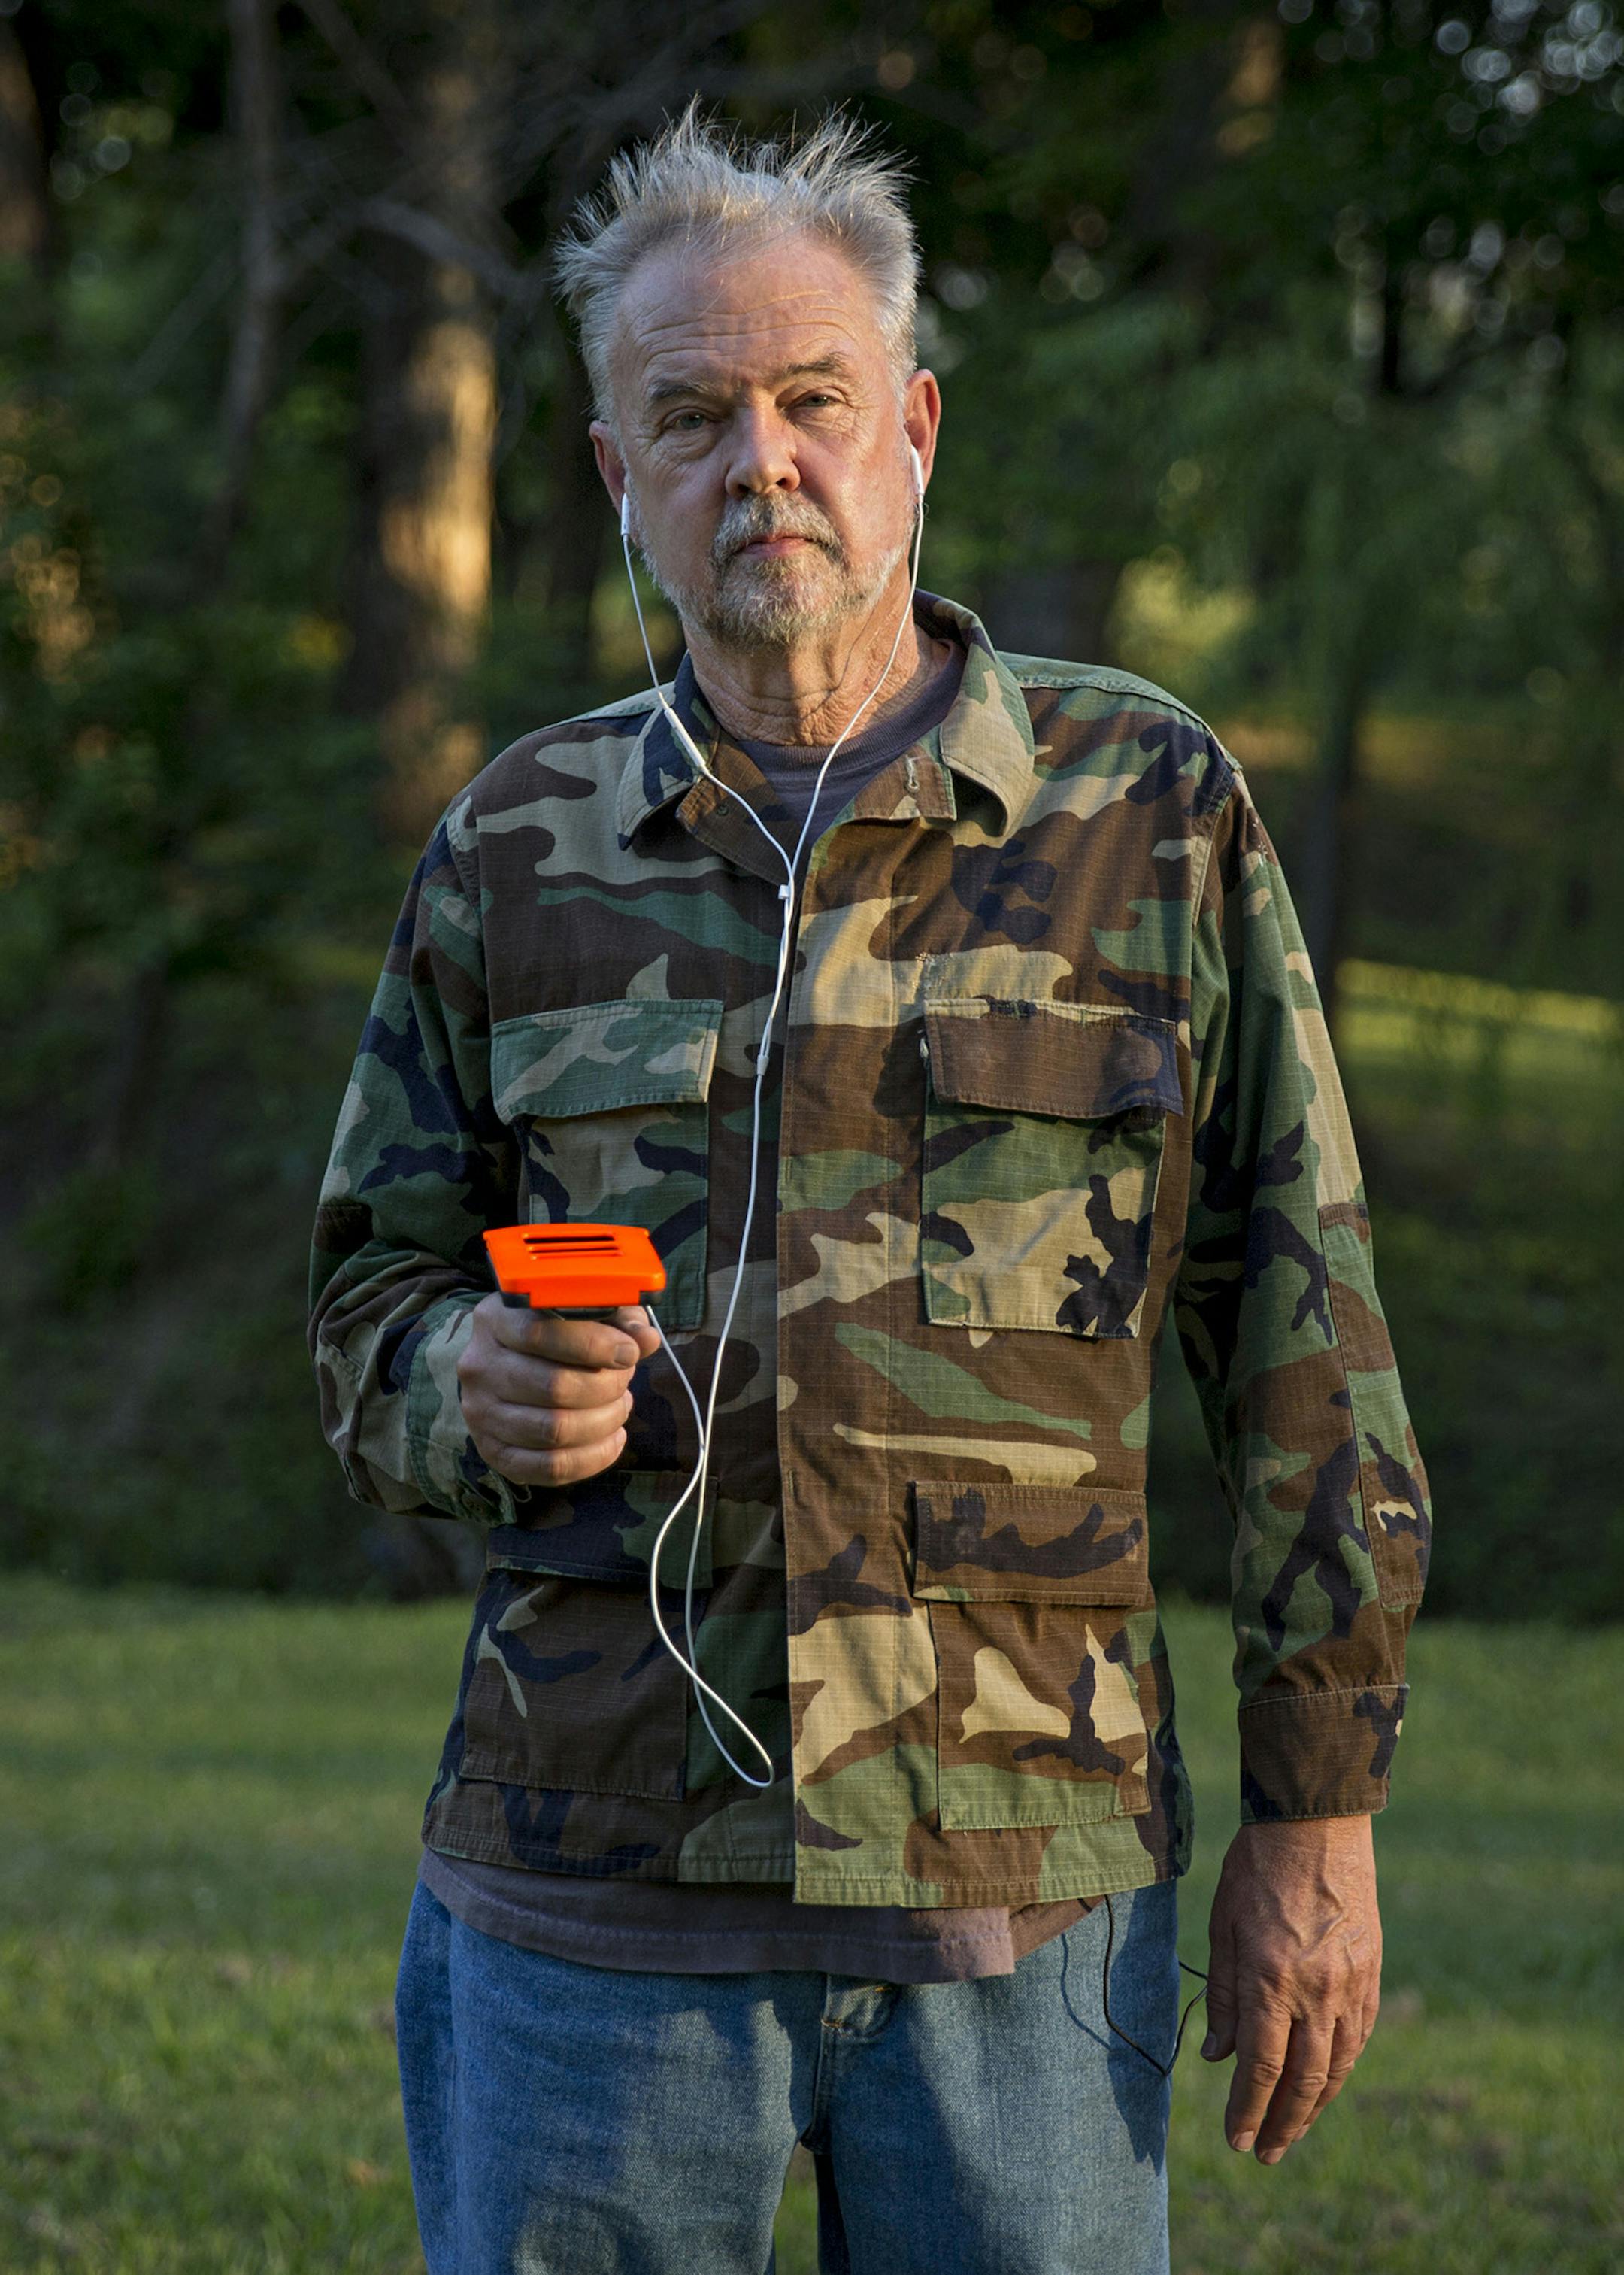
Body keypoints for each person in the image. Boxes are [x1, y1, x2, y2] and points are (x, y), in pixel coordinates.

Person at [308, 104, 1431, 2275]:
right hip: (593, 1893)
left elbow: (1309, 1342)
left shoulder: (1148, 810)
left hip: (1028, 1899)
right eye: (691, 417)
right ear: (616, 473)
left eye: (814, 400)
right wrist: (464, 1383)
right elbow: (367, 1301)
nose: (764, 464)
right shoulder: (514, 845)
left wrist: (1322, 1805)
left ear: (912, 428)